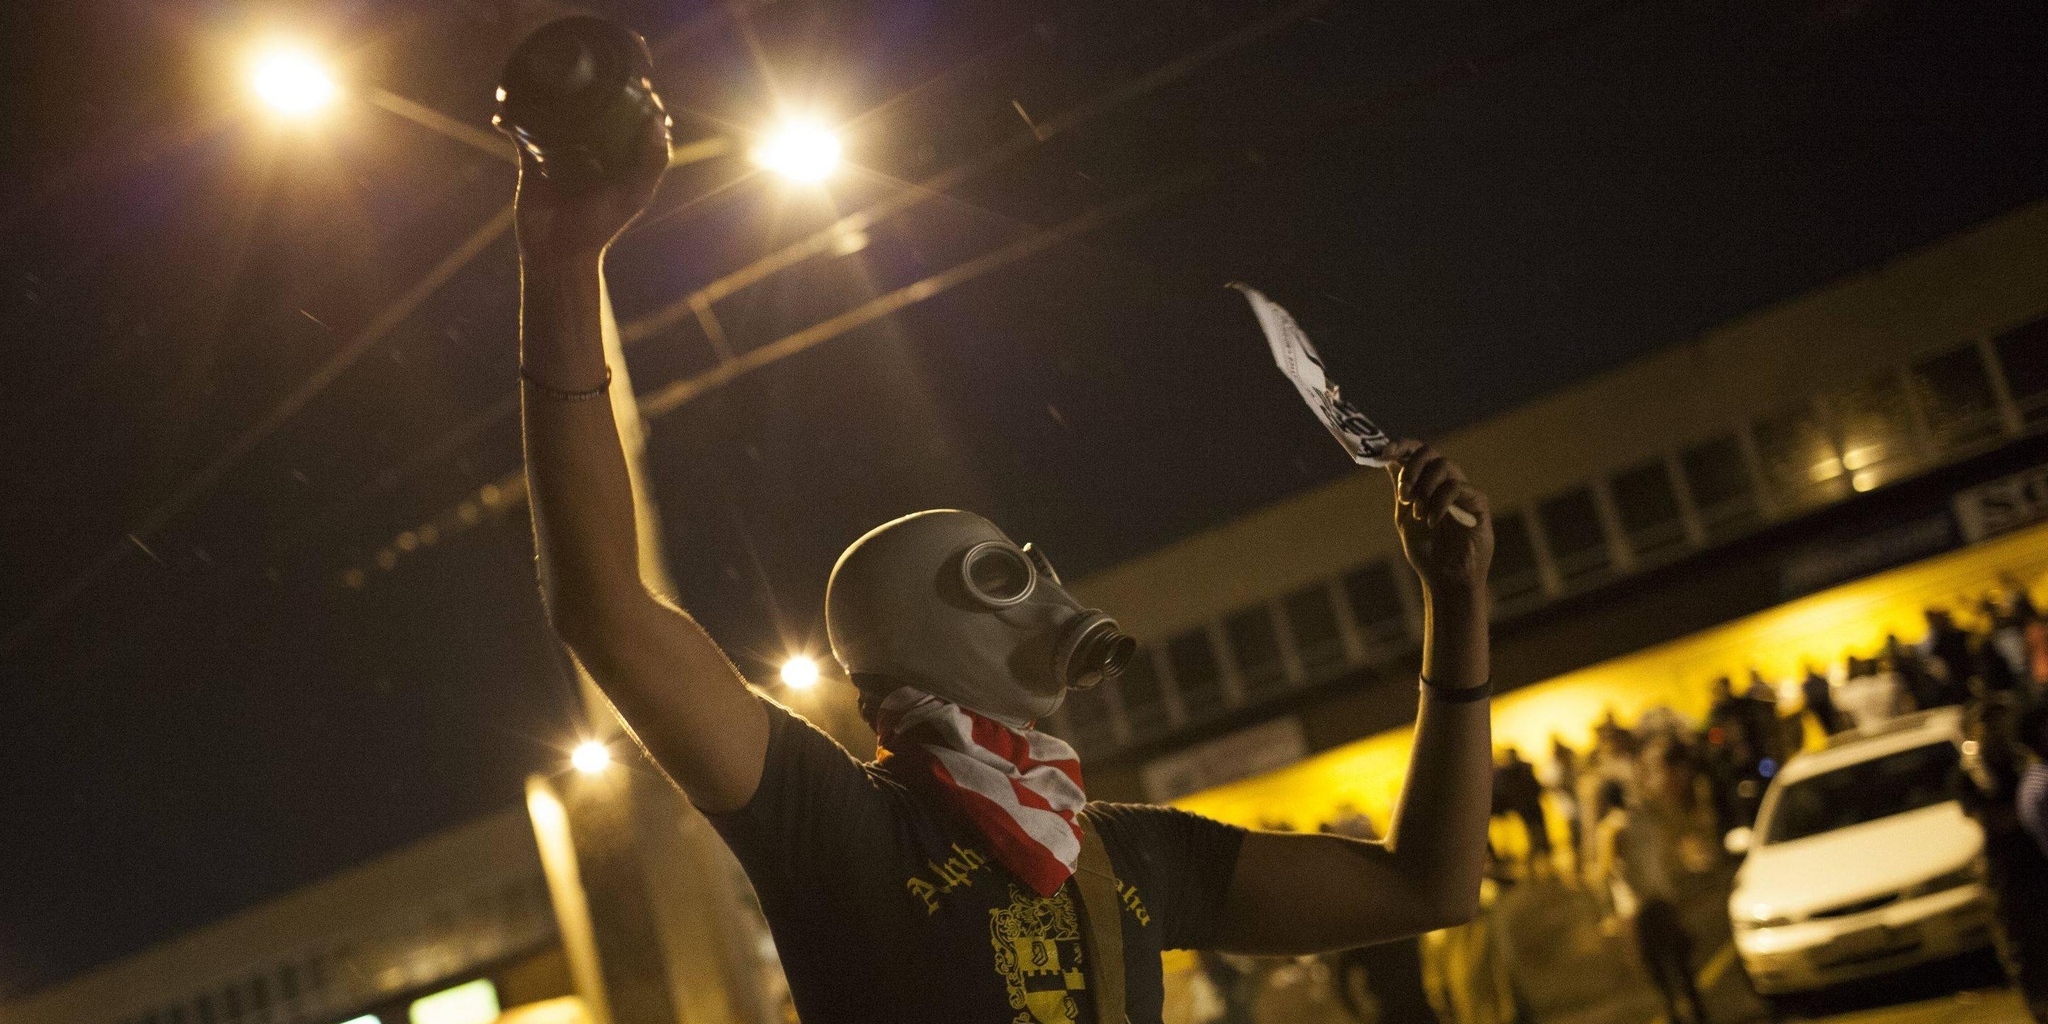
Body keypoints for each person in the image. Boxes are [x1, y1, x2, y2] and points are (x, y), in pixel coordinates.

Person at [511, 115, 1498, 1024]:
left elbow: (1429, 888)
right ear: (898, 639)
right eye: (996, 576)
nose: (1047, 598)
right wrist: (562, 263)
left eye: (1033, 568)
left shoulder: (1134, 855)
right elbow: (604, 608)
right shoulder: (837, 823)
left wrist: (1456, 603)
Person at [1589, 781, 1709, 1024]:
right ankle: (1699, 1013)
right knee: (1681, 963)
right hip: (1663, 900)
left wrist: (1590, 875)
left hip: (1637, 910)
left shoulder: (1610, 830)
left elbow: (1602, 871)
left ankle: (1675, 1015)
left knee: (1656, 970)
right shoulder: (1644, 820)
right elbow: (1668, 848)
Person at [1494, 746, 1553, 875]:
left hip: (1529, 807)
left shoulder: (1516, 772)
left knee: (1537, 833)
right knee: (1535, 833)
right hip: (1528, 808)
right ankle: (1539, 860)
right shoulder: (1519, 771)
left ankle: (1542, 860)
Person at [1798, 663, 1842, 735]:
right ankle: (1837, 733)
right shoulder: (1820, 679)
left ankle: (1832, 734)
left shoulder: (1805, 684)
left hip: (1817, 707)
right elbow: (1827, 690)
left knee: (1825, 725)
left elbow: (1807, 698)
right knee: (1833, 722)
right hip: (1825, 703)